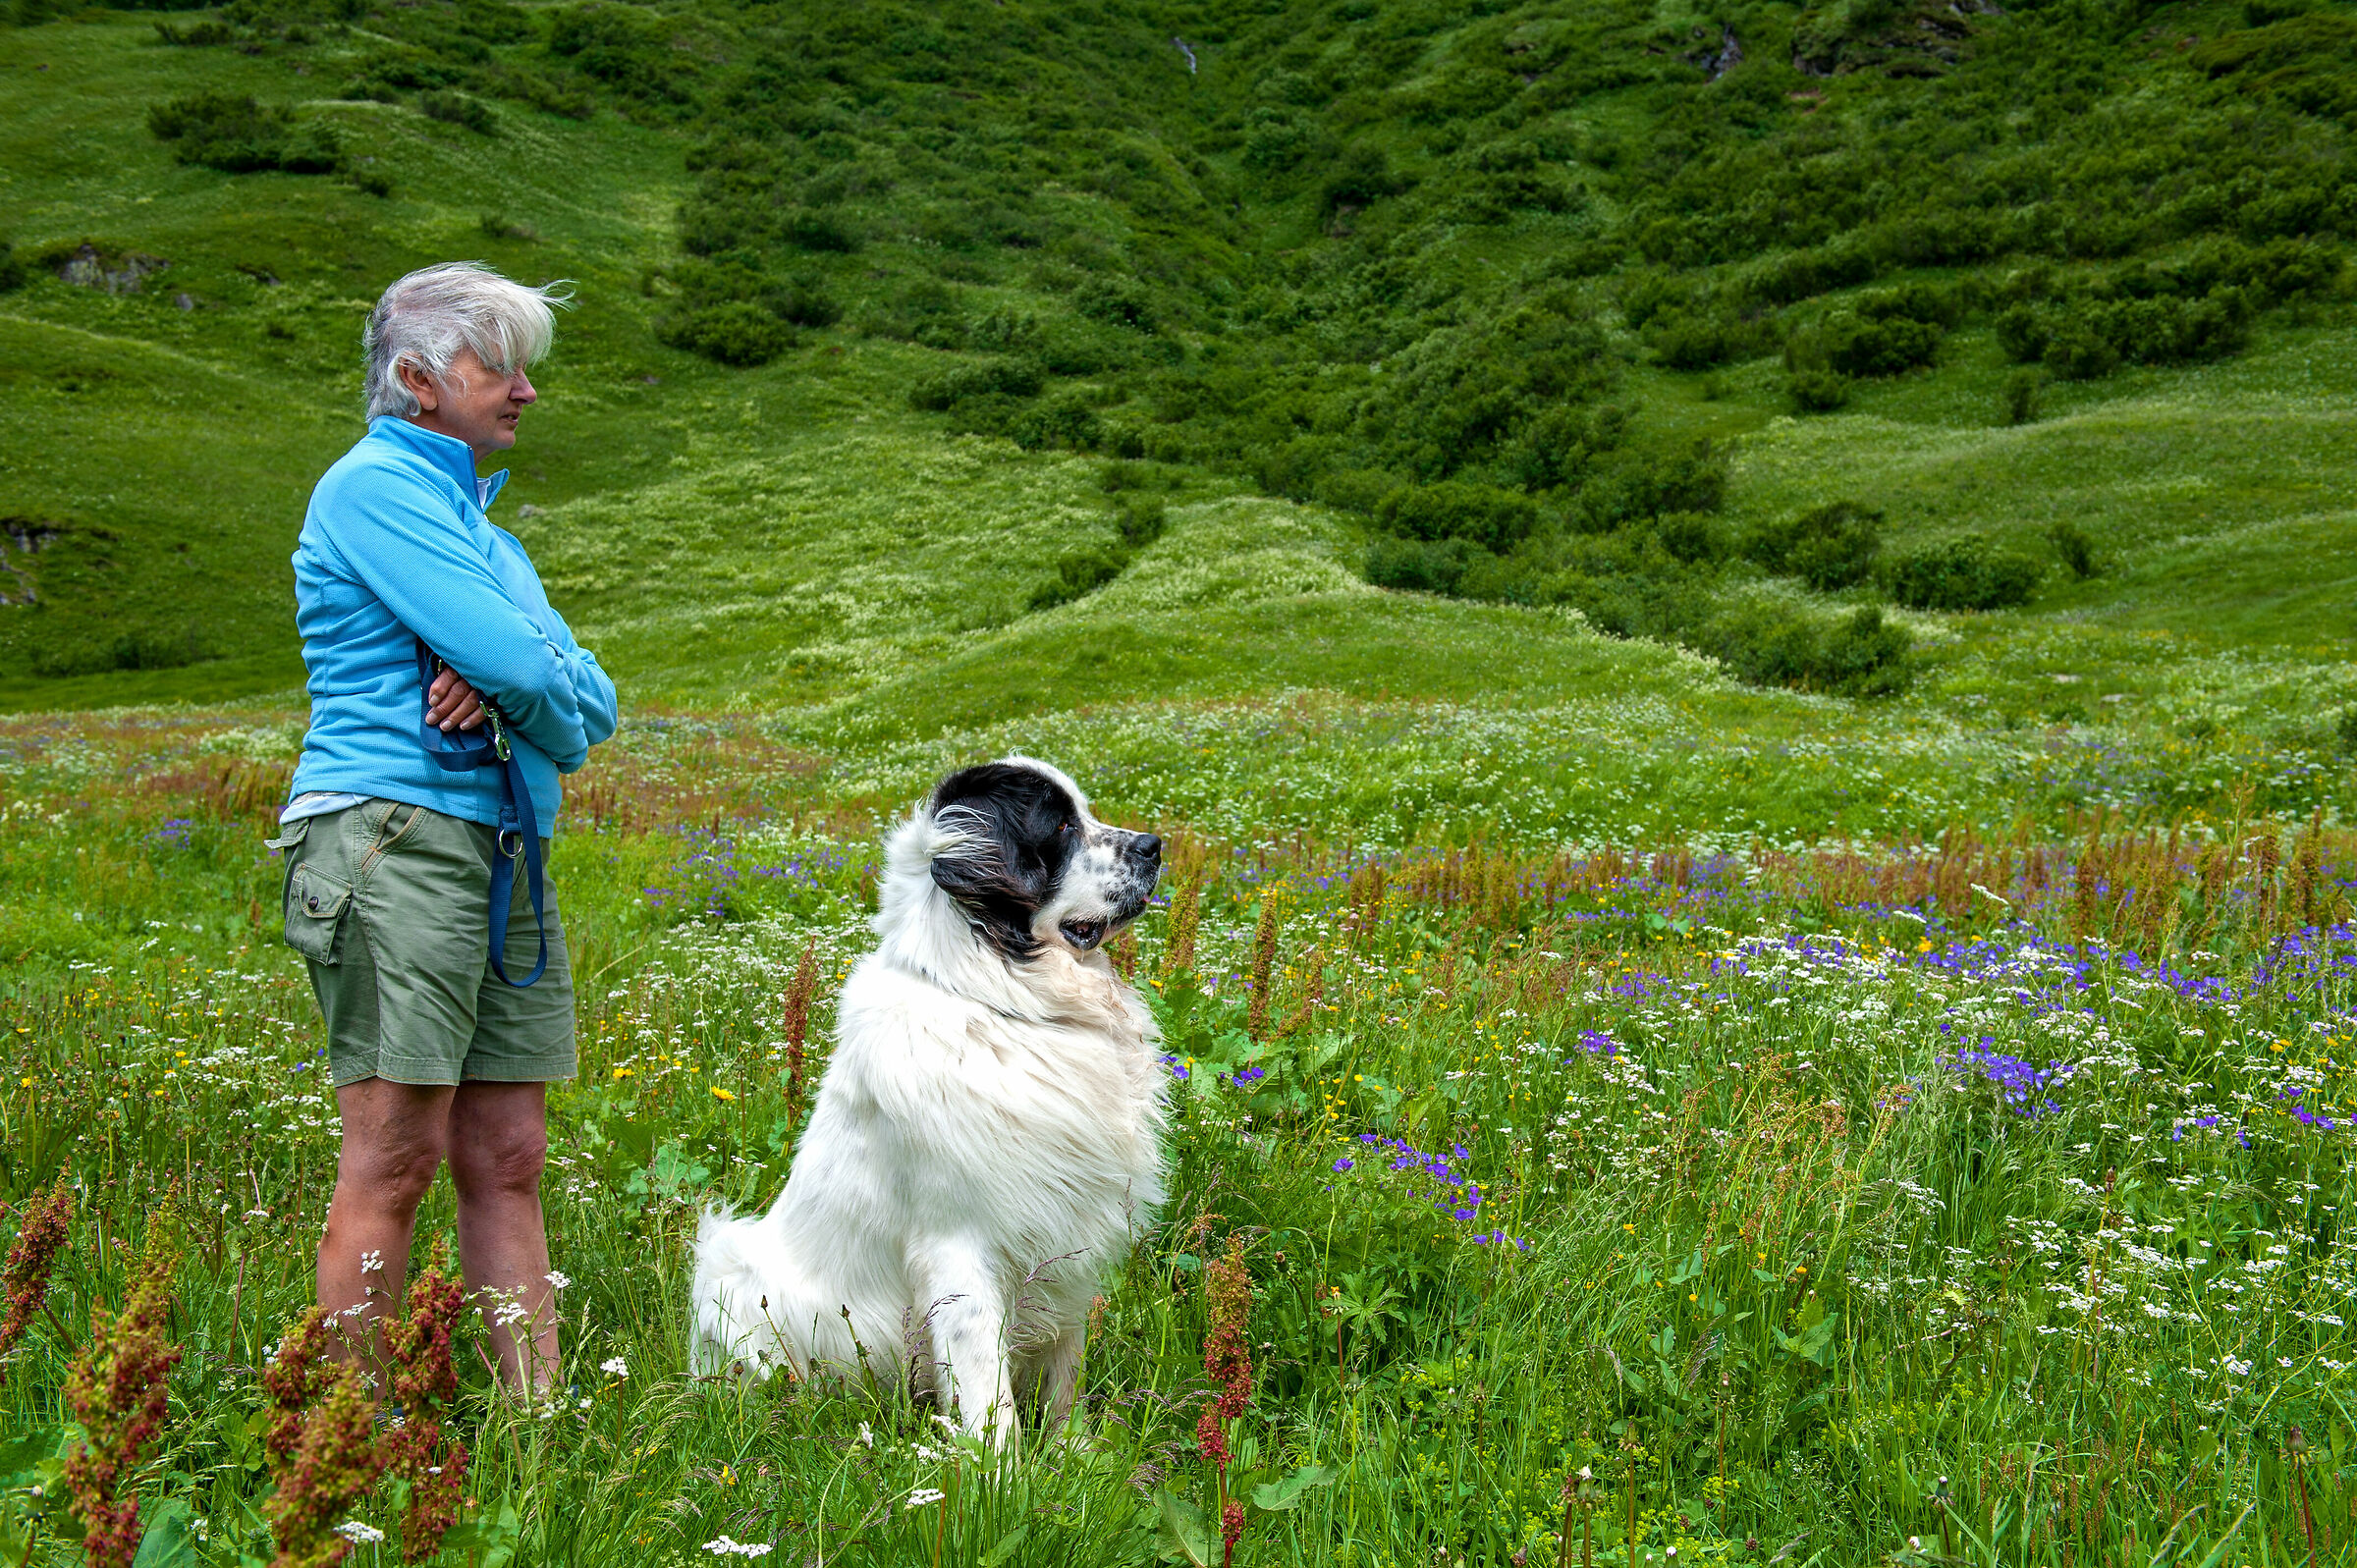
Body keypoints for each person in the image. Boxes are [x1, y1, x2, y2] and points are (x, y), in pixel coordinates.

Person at [272, 261, 616, 1391]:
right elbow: (531, 663)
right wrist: (522, 673)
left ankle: (538, 1434)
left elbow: (588, 702)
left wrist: (520, 681)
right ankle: (348, 1454)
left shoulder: (478, 527)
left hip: (499, 842)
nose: (525, 391)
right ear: (418, 379)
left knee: (508, 1153)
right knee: (397, 1156)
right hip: (393, 833)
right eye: (498, 365)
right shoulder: (374, 490)